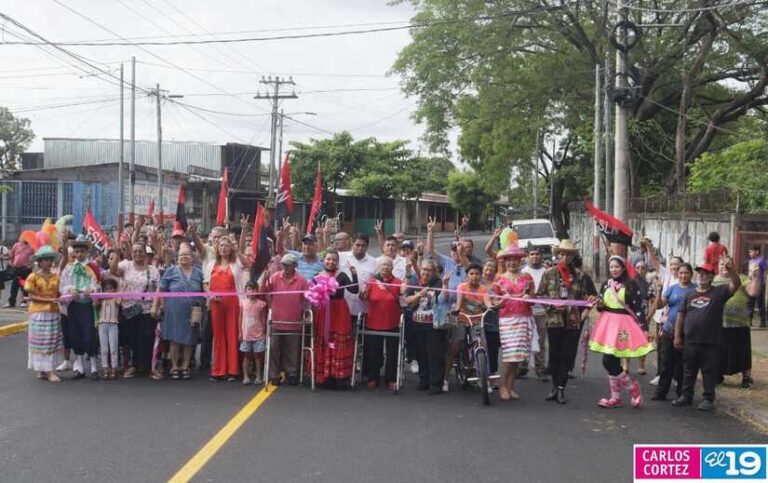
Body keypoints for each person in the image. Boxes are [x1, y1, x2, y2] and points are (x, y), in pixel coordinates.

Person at [672, 260, 740, 411]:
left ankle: (708, 398)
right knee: (689, 370)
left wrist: (732, 271)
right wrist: (677, 336)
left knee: (709, 372)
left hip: (711, 341)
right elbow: (681, 316)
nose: (702, 277)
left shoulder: (719, 292)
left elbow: (736, 284)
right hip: (690, 341)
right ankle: (686, 396)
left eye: (705, 274)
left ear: (711, 277)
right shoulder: (689, 294)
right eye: (700, 274)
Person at [537, 239, 597, 404]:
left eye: (568, 254)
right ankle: (555, 387)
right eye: (562, 254)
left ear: (572, 256)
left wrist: (585, 310)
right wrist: (553, 304)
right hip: (554, 320)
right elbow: (540, 295)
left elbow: (592, 297)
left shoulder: (581, 276)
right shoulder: (549, 274)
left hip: (573, 321)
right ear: (557, 255)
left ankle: (562, 388)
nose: (565, 257)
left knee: (567, 355)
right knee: (554, 354)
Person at [590, 256, 654, 409]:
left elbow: (638, 308)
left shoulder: (631, 284)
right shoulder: (606, 284)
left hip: (623, 326)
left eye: (617, 267)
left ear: (624, 268)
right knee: (610, 361)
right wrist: (599, 304)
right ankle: (616, 396)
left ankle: (632, 389)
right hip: (607, 324)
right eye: (611, 267)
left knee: (610, 360)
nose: (614, 270)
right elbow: (601, 307)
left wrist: (644, 329)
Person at [152, 243, 204, 380]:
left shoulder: (198, 272)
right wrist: (157, 306)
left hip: (193, 311)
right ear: (177, 258)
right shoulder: (171, 271)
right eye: (181, 255)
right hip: (173, 310)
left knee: (189, 339)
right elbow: (161, 289)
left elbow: (204, 288)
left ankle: (185, 366)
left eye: (187, 255)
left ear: (192, 258)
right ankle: (175, 366)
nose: (184, 257)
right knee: (174, 339)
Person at [489, 244, 535, 401]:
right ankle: (502, 386)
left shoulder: (527, 278)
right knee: (509, 355)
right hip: (507, 319)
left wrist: (529, 298)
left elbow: (533, 298)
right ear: (504, 262)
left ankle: (511, 386)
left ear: (520, 261)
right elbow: (493, 302)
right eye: (509, 260)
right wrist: (502, 300)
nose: (512, 263)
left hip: (524, 317)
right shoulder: (499, 279)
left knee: (518, 355)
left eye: (515, 260)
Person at [311, 250, 359, 389]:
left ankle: (339, 376)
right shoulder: (317, 277)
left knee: (338, 342)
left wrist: (354, 274)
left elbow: (354, 290)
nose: (331, 262)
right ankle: (325, 375)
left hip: (339, 311)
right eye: (328, 259)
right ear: (323, 260)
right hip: (323, 311)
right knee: (324, 340)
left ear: (337, 262)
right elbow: (313, 296)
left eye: (334, 260)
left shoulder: (342, 276)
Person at [204, 236, 248, 381]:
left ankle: (233, 370)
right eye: (221, 245)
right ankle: (218, 370)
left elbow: (247, 263)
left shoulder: (236, 263)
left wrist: (238, 250)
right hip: (216, 303)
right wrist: (210, 295)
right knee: (218, 336)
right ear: (217, 248)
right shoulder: (211, 264)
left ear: (231, 248)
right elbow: (205, 284)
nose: (224, 248)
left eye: (227, 246)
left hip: (233, 302)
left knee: (233, 335)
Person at [652, 263, 696, 401]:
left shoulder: (695, 289)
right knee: (666, 363)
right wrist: (659, 291)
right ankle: (661, 392)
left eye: (686, 273)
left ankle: (682, 393)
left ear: (691, 274)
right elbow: (659, 305)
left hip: (687, 332)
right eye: (681, 273)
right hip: (669, 330)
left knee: (683, 364)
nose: (683, 275)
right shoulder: (672, 289)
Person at [263, 253, 310, 386]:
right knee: (274, 348)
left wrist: (307, 312)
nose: (285, 267)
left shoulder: (301, 280)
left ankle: (292, 373)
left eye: (288, 265)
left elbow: (307, 299)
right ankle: (274, 374)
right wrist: (265, 280)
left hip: (294, 320)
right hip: (277, 320)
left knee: (292, 349)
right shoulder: (275, 277)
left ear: (295, 266)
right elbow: (264, 291)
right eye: (283, 265)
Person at [402, 259, 446, 394]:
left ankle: (436, 384)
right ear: (420, 270)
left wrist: (444, 286)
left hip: (434, 325)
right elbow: (406, 301)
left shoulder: (438, 283)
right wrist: (419, 295)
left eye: (429, 270)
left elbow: (443, 299)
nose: (426, 272)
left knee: (434, 354)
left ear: (434, 272)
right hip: (418, 323)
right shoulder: (415, 284)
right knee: (420, 353)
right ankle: (423, 380)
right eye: (424, 270)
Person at [60, 237, 101, 380]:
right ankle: (80, 368)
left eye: (82, 251)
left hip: (87, 306)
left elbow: (98, 285)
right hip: (74, 306)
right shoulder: (69, 268)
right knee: (75, 335)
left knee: (89, 336)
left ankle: (95, 368)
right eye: (77, 251)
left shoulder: (93, 267)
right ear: (74, 253)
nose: (79, 254)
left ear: (87, 252)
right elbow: (63, 286)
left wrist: (92, 290)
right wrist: (70, 290)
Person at [714, 256, 758, 389]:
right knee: (719, 350)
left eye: (728, 264)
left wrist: (756, 276)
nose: (724, 266)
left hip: (739, 322)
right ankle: (717, 374)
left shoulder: (742, 278)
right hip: (719, 322)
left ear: (733, 265)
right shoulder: (713, 280)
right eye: (722, 264)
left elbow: (753, 292)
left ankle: (746, 377)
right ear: (718, 266)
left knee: (742, 351)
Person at [360, 256, 402, 391]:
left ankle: (391, 378)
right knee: (373, 352)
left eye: (388, 265)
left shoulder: (397, 282)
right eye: (383, 265)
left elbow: (403, 294)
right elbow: (364, 298)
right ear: (378, 267)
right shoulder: (371, 282)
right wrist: (363, 292)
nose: (385, 267)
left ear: (392, 268)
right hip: (373, 322)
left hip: (392, 322)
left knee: (392, 353)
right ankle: (373, 377)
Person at [119, 243, 160, 378]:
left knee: (146, 337)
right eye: (135, 251)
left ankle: (148, 366)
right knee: (132, 337)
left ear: (145, 253)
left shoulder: (152, 270)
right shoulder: (126, 266)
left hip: (147, 309)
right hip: (129, 308)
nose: (138, 254)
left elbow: (158, 289)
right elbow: (113, 271)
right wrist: (116, 252)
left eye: (141, 251)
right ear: (132, 253)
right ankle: (135, 366)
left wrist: (155, 306)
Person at [25, 245, 63, 382]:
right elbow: (30, 296)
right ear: (39, 262)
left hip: (52, 312)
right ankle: (44, 370)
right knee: (39, 342)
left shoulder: (56, 277)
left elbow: (60, 292)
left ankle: (47, 369)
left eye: (50, 259)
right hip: (38, 312)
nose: (48, 262)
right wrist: (49, 299)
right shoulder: (32, 277)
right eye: (45, 259)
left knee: (51, 341)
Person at [339, 233, 379, 328]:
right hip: (342, 307)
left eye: (363, 246)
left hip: (362, 308)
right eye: (357, 245)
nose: (360, 248)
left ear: (367, 246)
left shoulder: (374, 262)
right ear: (352, 244)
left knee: (358, 338)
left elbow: (377, 283)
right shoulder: (341, 257)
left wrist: (368, 289)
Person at [623, 260, 655, 375]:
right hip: (629, 315)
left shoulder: (648, 284)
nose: (640, 270)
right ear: (635, 269)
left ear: (646, 270)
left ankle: (641, 365)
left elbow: (653, 301)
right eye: (638, 267)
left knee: (643, 340)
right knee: (626, 339)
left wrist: (650, 315)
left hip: (643, 315)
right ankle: (626, 365)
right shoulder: (628, 283)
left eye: (643, 268)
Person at [522, 247, 548, 381]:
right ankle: (522, 368)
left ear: (541, 256)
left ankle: (540, 369)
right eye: (532, 254)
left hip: (541, 312)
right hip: (525, 312)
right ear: (527, 256)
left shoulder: (547, 272)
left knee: (540, 342)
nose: (535, 257)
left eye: (538, 254)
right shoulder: (523, 272)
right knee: (524, 340)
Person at [240, 282, 267, 386]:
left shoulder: (261, 304)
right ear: (246, 291)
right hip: (246, 335)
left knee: (257, 356)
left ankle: (259, 376)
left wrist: (264, 332)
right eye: (249, 289)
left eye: (254, 289)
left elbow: (263, 319)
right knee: (246, 356)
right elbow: (240, 317)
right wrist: (240, 332)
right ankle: (245, 376)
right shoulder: (243, 302)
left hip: (258, 335)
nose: (252, 291)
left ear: (257, 290)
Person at [96, 278, 121, 380]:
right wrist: (99, 295)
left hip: (113, 325)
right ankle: (106, 368)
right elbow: (95, 304)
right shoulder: (101, 299)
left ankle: (114, 368)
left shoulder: (116, 299)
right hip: (102, 325)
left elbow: (119, 301)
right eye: (106, 289)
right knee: (104, 348)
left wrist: (118, 290)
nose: (109, 291)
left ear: (114, 289)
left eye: (111, 289)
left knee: (114, 348)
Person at [480, 259, 501, 380]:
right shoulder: (478, 281)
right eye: (487, 268)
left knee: (493, 348)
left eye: (492, 268)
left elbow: (502, 300)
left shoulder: (498, 284)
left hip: (494, 321)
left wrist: (495, 303)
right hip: (479, 320)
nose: (489, 271)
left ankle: (493, 373)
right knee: (480, 347)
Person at [5, 235, 35, 308]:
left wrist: (31, 265)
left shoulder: (32, 247)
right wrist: (12, 264)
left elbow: (34, 258)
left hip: (26, 269)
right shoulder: (16, 245)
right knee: (14, 285)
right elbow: (12, 255)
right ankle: (11, 302)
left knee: (25, 285)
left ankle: (23, 301)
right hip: (16, 269)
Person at [746, 245, 766, 328]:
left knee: (760, 303)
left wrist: (763, 282)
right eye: (749, 252)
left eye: (751, 251)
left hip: (759, 284)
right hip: (751, 284)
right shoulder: (751, 261)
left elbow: (765, 271)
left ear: (757, 252)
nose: (750, 253)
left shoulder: (761, 260)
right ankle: (748, 321)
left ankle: (762, 322)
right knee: (750, 303)